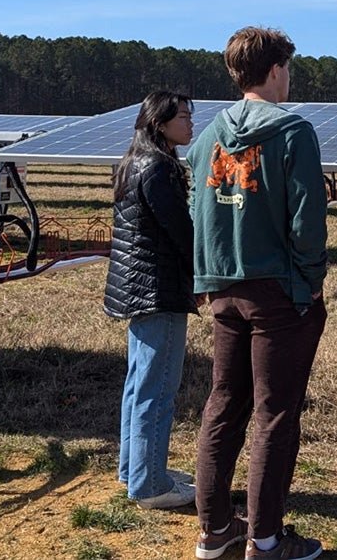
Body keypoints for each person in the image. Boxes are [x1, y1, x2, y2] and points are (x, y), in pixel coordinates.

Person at [188, 26, 328, 560]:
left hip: (222, 289)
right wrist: (311, 279)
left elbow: (198, 212)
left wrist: (205, 278)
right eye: (287, 69)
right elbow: (307, 220)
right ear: (274, 71)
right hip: (278, 294)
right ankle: (265, 540)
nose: (289, 79)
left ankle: (214, 531)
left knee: (223, 404)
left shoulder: (207, 138)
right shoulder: (293, 132)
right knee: (274, 412)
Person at [103, 90, 199, 509]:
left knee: (138, 383)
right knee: (157, 389)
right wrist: (205, 271)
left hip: (137, 287)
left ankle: (136, 470)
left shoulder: (133, 162)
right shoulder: (159, 168)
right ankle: (150, 486)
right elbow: (181, 232)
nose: (191, 123)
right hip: (158, 288)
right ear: (159, 123)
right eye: (183, 116)